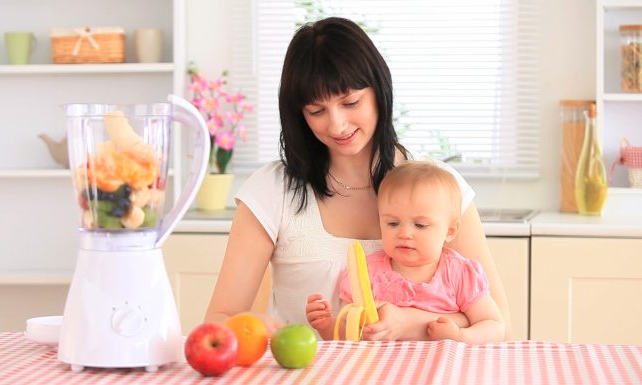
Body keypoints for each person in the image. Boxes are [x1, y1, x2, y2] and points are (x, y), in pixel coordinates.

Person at [204, 16, 512, 341]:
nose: (337, 126)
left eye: (350, 102)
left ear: (379, 91)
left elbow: (501, 325)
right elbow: (219, 320)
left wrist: (413, 322)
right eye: (316, 111)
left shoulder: (439, 187)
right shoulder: (272, 190)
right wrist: (253, 327)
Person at [306, 161, 505, 343]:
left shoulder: (459, 274)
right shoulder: (365, 273)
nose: (405, 233)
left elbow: (495, 326)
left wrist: (460, 336)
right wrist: (326, 325)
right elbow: (348, 337)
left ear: (450, 231)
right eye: (393, 223)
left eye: (420, 225)